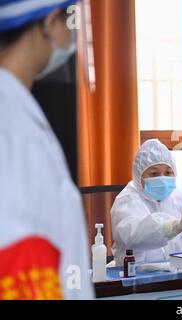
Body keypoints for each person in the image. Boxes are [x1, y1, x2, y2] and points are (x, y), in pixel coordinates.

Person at [0, 0, 93, 299]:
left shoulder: (19, 110)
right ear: (49, 22)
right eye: (67, 22)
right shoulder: (11, 122)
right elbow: (18, 250)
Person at [111, 139, 182, 265]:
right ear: (138, 175)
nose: (162, 178)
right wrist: (175, 226)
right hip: (140, 275)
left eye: (168, 172)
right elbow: (133, 235)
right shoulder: (127, 200)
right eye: (154, 173)